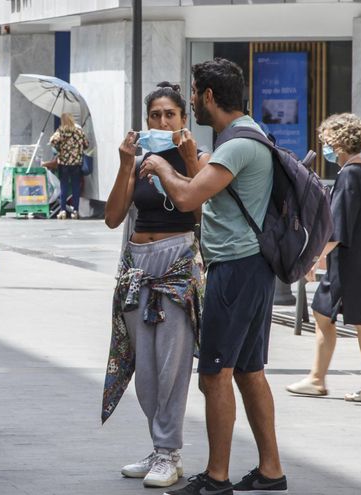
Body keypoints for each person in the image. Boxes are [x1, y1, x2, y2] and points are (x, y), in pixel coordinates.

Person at [138, 58, 287, 495]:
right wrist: (185, 156)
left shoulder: (237, 144)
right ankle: (271, 470)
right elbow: (208, 179)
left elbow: (186, 197)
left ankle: (216, 478)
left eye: (193, 95)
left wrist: (160, 167)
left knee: (214, 375)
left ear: (206, 96)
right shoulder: (247, 135)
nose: (190, 107)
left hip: (237, 269)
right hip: (252, 268)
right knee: (249, 371)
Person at [101, 83, 207, 489]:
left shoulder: (198, 158)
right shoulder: (141, 159)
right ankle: (159, 447)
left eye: (170, 115)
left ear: (184, 119)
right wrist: (126, 163)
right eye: (155, 115)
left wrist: (183, 161)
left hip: (177, 265)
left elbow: (198, 210)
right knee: (144, 370)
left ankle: (170, 452)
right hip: (137, 266)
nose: (162, 122)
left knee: (171, 366)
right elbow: (113, 217)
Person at [287, 113, 361, 403]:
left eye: (328, 142)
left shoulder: (351, 175)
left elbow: (337, 229)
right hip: (356, 256)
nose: (325, 147)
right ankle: (316, 379)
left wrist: (310, 260)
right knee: (322, 311)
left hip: (351, 259)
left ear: (341, 143)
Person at [49, 112, 89, 219]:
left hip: (64, 163)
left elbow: (52, 141)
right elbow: (86, 144)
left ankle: (62, 211)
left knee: (64, 186)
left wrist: (59, 148)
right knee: (76, 187)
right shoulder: (79, 131)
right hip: (76, 163)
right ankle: (75, 211)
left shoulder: (61, 131)